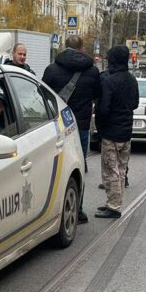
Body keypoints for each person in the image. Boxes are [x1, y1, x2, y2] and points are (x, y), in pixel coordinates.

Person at [43, 35, 102, 224]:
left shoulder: (51, 69)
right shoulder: (92, 71)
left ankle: (50, 209)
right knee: (77, 166)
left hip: (56, 127)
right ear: (82, 49)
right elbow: (96, 95)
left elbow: (43, 97)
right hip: (81, 127)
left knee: (51, 168)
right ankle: (78, 209)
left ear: (64, 47)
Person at [94, 45, 138, 219]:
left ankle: (113, 206)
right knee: (121, 169)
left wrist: (101, 125)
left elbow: (103, 108)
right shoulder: (132, 80)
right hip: (126, 131)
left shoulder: (109, 81)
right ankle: (114, 202)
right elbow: (135, 103)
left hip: (111, 132)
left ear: (112, 60)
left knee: (110, 169)